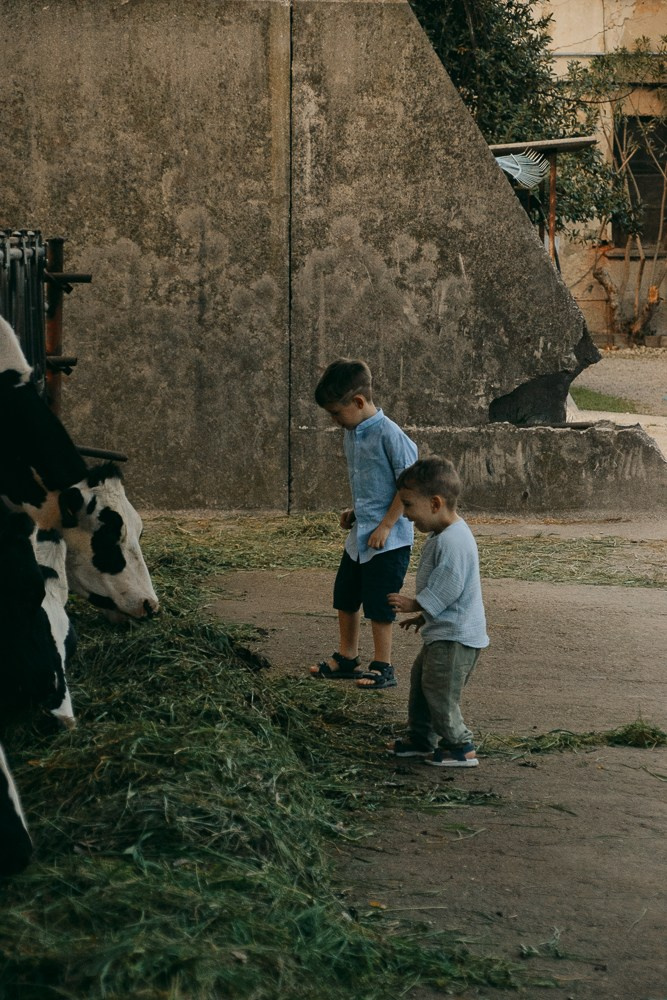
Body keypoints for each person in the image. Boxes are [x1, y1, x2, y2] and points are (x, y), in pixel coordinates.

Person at [309, 358, 417, 690]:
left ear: (358, 402)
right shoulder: (353, 432)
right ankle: (347, 656)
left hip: (389, 540)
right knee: (345, 594)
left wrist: (385, 524)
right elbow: (372, 483)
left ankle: (383, 665)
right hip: (361, 536)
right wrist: (357, 510)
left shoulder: (390, 434)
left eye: (336, 413)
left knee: (379, 602)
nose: (334, 420)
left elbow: (407, 484)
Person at [386, 456, 489, 766]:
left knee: (439, 690)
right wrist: (424, 616)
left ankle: (460, 744)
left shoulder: (454, 541)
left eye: (408, 505)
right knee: (422, 682)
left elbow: (449, 586)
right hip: (443, 632)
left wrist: (416, 604)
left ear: (434, 503)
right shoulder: (443, 534)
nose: (404, 514)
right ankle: (421, 737)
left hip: (456, 638)